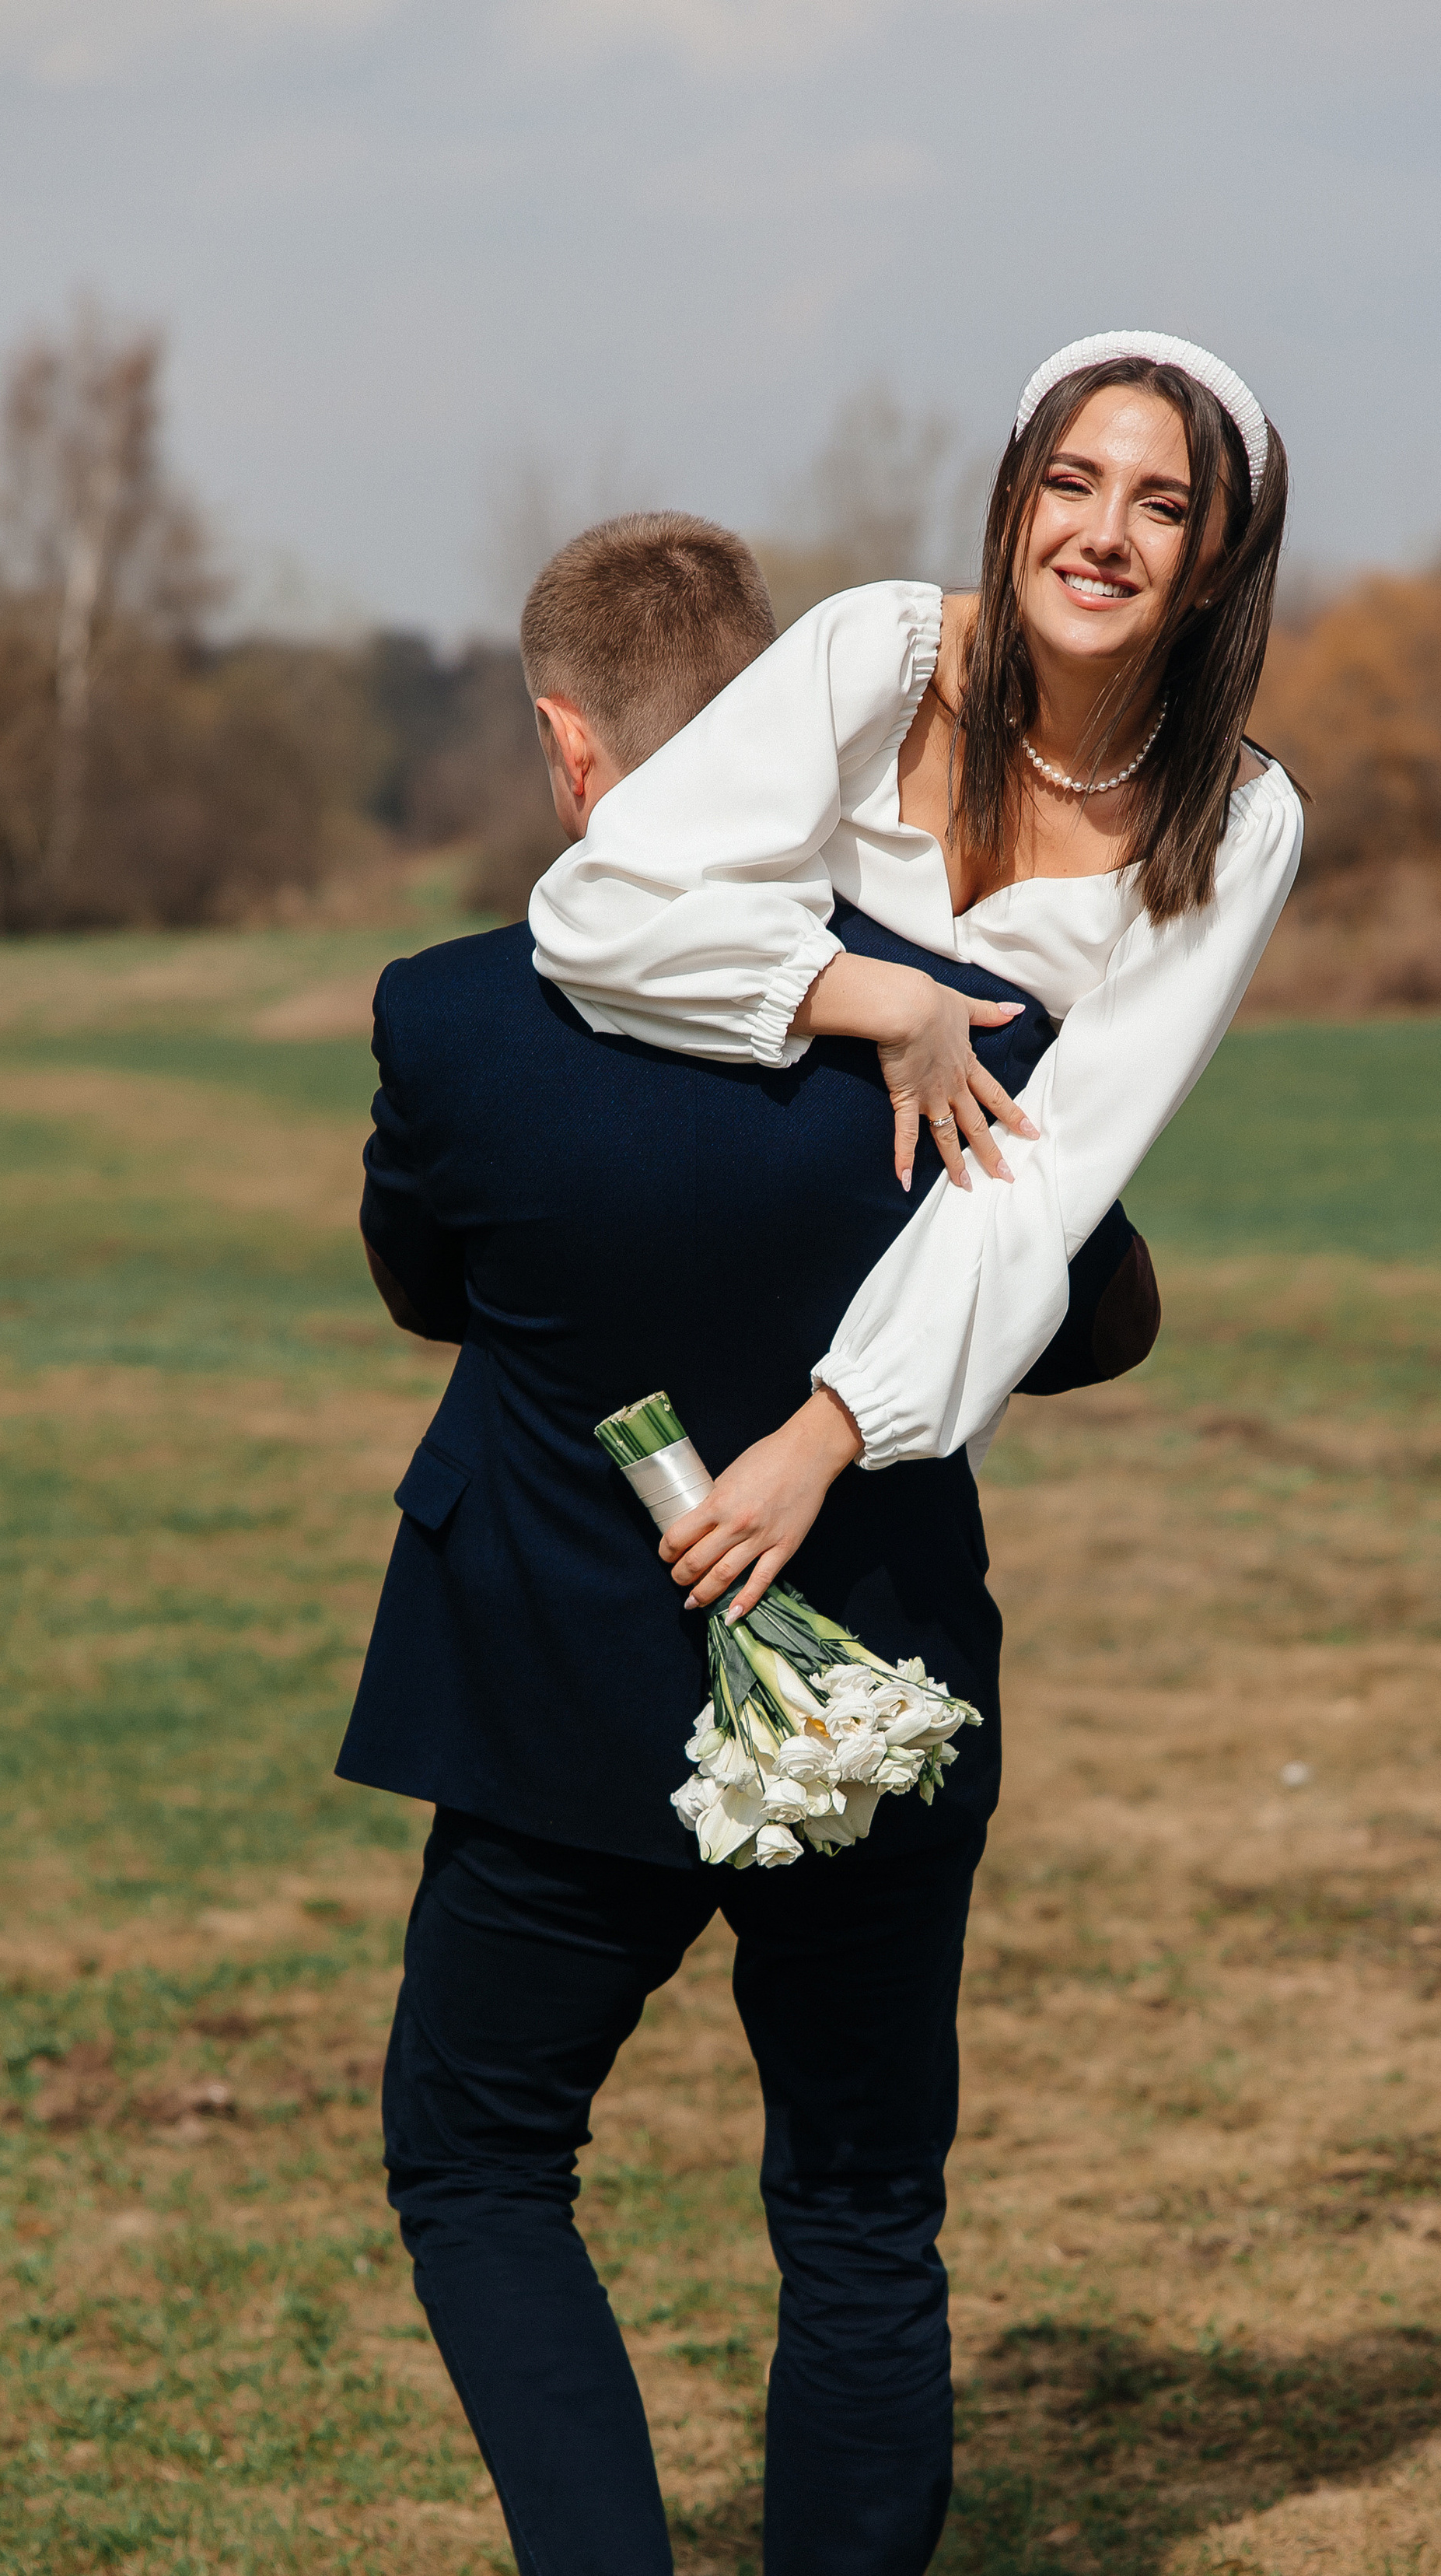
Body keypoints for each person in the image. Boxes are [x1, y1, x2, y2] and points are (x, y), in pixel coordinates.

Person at [338, 512, 1160, 2576]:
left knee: (479, 2158)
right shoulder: (954, 1009)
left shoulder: (454, 1017)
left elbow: (424, 1277)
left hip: (556, 1697)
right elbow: (1099, 1310)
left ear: (572, 749)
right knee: (860, 2215)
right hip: (881, 1690)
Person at [528, 331, 1302, 1630]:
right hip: (696, 1272)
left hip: (916, 1355)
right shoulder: (875, 652)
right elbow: (599, 907)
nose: (1104, 535)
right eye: (1071, 483)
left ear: (1219, 564)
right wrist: (875, 996)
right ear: (1014, 502)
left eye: (1163, 508)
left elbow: (1059, 1164)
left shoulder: (1239, 823)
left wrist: (828, 1437)